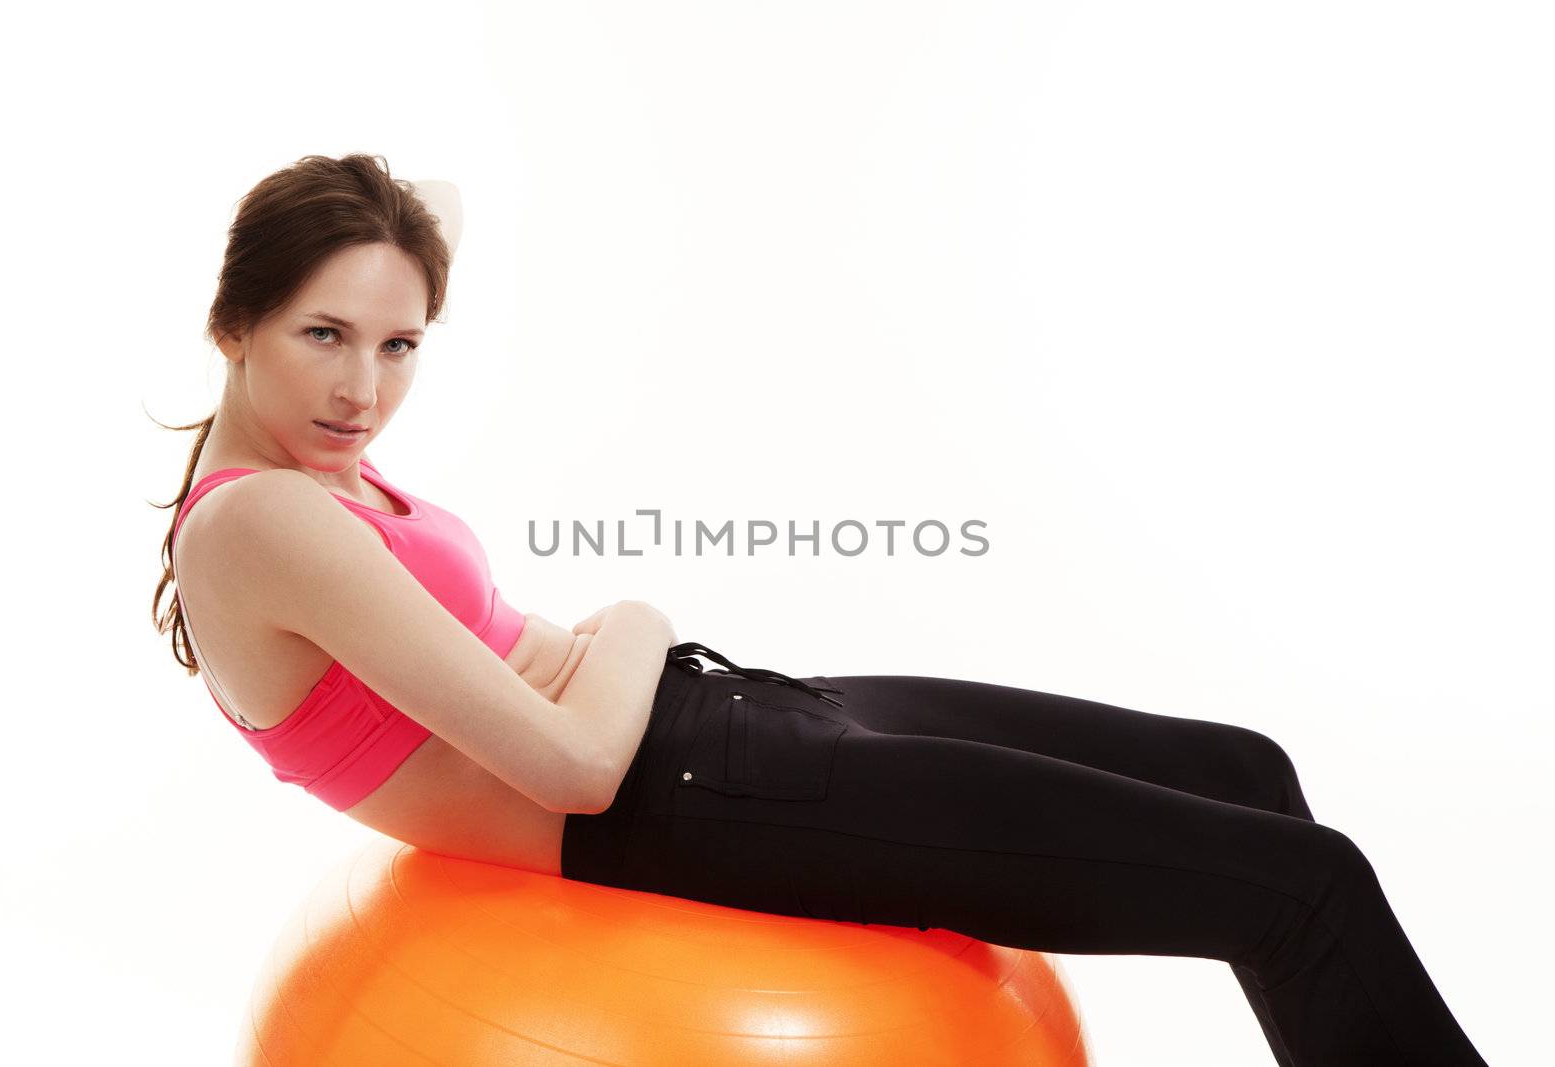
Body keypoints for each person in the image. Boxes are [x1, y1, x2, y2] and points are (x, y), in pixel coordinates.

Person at [151, 154, 1489, 1065]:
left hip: (732, 723)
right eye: (324, 335)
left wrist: (641, 657)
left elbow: (422, 219)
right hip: (681, 796)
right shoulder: (263, 519)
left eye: (399, 345)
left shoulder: (307, 462)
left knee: (1246, 772)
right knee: (1306, 890)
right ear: (234, 325)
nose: (365, 390)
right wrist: (635, 615)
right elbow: (569, 763)